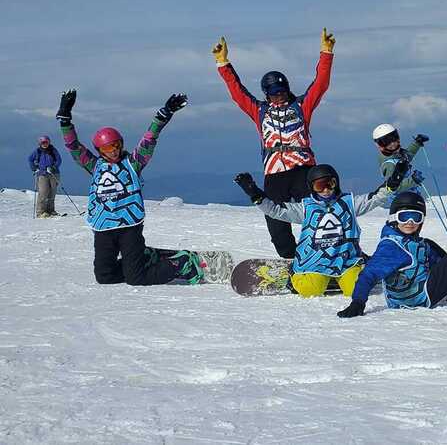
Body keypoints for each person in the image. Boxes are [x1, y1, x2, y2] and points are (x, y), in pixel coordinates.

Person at [56, 89, 205, 285]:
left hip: (129, 227)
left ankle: (184, 263)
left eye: (116, 145)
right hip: (103, 227)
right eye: (108, 148)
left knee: (136, 278)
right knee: (104, 276)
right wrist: (65, 120)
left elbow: (149, 139)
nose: (114, 150)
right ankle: (144, 258)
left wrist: (164, 114)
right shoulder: (95, 166)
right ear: (99, 151)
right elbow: (73, 147)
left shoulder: (133, 164)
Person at [212, 30, 334, 259]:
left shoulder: (301, 106)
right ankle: (290, 257)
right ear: (266, 94)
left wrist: (326, 52)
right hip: (274, 172)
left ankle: (325, 251)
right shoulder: (260, 111)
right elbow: (238, 93)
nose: (278, 96)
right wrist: (223, 63)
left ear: (287, 89)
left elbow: (320, 84)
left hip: (303, 169)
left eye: (281, 91)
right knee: (276, 220)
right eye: (273, 92)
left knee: (317, 210)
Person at [233, 162, 409, 297]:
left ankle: (343, 277)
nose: (325, 190)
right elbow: (276, 210)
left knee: (357, 289)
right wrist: (255, 194)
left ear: (336, 183)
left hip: (346, 261)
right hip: (314, 261)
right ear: (311, 187)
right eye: (319, 186)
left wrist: (392, 184)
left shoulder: (348, 203)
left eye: (330, 184)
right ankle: (297, 276)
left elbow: (375, 198)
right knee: (310, 291)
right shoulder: (306, 208)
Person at [372, 123, 428, 205]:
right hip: (399, 202)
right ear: (379, 145)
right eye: (385, 142)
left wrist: (417, 143)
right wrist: (413, 180)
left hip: (408, 196)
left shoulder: (397, 155)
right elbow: (394, 187)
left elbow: (408, 155)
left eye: (393, 138)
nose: (392, 143)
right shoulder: (389, 164)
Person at [28, 135, 62, 217]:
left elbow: (59, 160)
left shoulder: (53, 150)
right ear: (40, 143)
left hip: (53, 173)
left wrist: (53, 167)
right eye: (43, 142)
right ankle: (40, 212)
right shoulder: (37, 151)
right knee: (43, 192)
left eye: (46, 142)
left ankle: (51, 211)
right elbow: (30, 159)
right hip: (42, 174)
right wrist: (34, 168)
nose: (45, 144)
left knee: (52, 193)